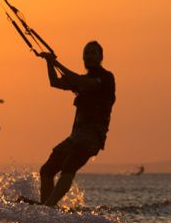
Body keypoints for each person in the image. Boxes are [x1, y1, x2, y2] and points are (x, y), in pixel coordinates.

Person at [34, 41, 115, 206]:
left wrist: (56, 62)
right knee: (46, 170)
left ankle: (49, 206)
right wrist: (49, 63)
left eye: (92, 53)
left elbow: (84, 83)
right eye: (86, 53)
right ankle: (46, 208)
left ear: (101, 57)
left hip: (92, 137)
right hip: (76, 136)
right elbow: (55, 82)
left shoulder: (106, 78)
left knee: (68, 167)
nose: (88, 56)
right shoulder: (80, 80)